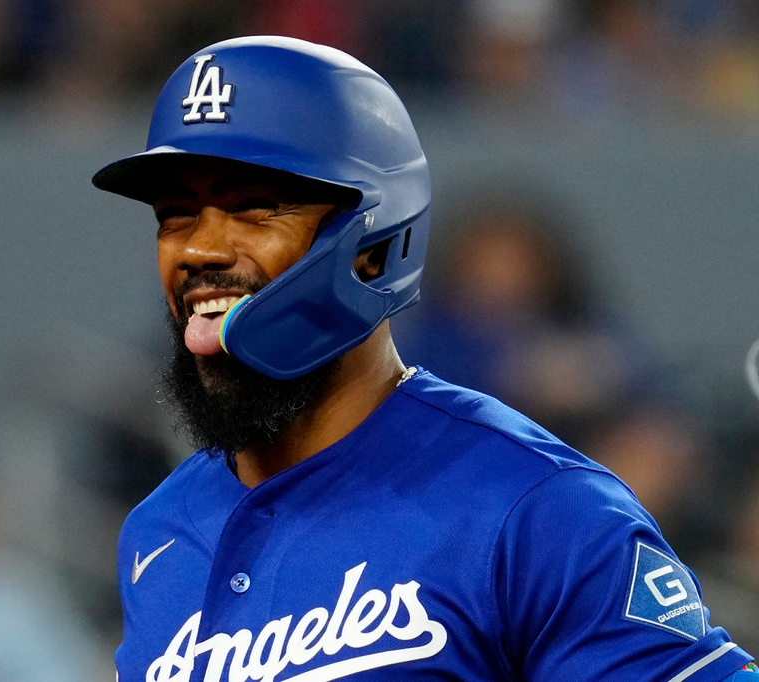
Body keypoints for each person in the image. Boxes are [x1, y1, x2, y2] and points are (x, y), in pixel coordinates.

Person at [92, 36, 759, 681]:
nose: (198, 250)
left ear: (373, 246)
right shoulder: (157, 534)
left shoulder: (533, 506)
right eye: (175, 215)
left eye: (255, 210)